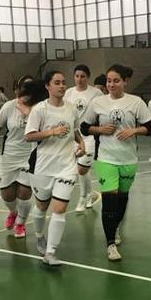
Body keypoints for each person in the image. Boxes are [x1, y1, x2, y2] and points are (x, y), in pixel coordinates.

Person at [79, 64, 151, 261]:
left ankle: (116, 226)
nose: (111, 84)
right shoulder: (98, 103)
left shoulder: (136, 102)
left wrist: (134, 131)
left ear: (125, 82)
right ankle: (110, 243)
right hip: (105, 158)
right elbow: (85, 127)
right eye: (109, 81)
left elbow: (150, 127)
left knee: (122, 198)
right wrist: (100, 130)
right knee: (109, 200)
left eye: (116, 80)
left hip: (128, 158)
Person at [24, 71, 86, 266]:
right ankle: (40, 235)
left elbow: (74, 129)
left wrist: (81, 142)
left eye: (63, 82)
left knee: (59, 209)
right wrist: (51, 131)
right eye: (57, 83)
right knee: (42, 205)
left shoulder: (71, 108)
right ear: (47, 86)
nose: (61, 86)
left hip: (66, 166)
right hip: (43, 166)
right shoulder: (39, 110)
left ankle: (51, 252)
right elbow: (29, 136)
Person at [0, 79, 47, 239]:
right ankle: (13, 212)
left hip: (29, 155)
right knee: (7, 194)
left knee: (24, 192)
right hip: (9, 155)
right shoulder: (8, 106)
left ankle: (20, 223)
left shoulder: (40, 107)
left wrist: (27, 110)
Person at [64, 64, 104, 213]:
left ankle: (82, 197)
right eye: (77, 76)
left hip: (89, 136)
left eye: (83, 76)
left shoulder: (96, 93)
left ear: (88, 77)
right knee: (81, 169)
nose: (79, 79)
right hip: (73, 135)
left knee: (82, 169)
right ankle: (90, 194)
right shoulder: (68, 93)